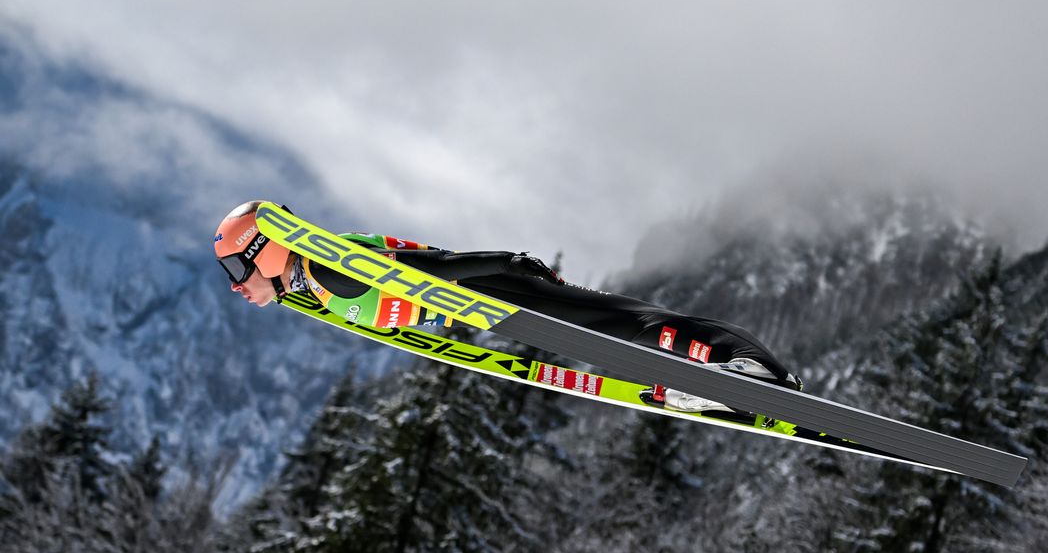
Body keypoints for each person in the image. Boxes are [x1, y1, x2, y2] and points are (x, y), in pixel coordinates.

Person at [214, 200, 801, 413]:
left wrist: (505, 263)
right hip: (482, 300)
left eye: (238, 269)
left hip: (491, 290)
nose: (237, 286)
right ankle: (720, 374)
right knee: (616, 326)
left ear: (264, 252)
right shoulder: (313, 284)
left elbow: (426, 273)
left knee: (621, 324)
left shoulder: (325, 270)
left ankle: (742, 366)